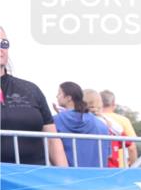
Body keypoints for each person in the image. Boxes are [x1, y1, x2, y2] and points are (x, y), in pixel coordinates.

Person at [0, 27, 68, 166]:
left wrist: (66, 178)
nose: (1, 48)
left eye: (4, 43)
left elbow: (52, 140)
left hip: (32, 179)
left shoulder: (30, 90)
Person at [54, 81, 111, 167]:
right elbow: (108, 154)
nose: (56, 96)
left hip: (66, 176)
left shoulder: (55, 121)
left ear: (69, 98)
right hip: (97, 176)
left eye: (59, 93)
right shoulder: (101, 124)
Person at [83, 89, 128, 168]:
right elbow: (128, 142)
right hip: (109, 167)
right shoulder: (109, 123)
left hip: (87, 167)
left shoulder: (80, 120)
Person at [100, 90, 138, 167]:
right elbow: (132, 147)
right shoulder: (123, 121)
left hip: (96, 167)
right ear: (113, 103)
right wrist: (134, 168)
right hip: (119, 169)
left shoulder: (92, 119)